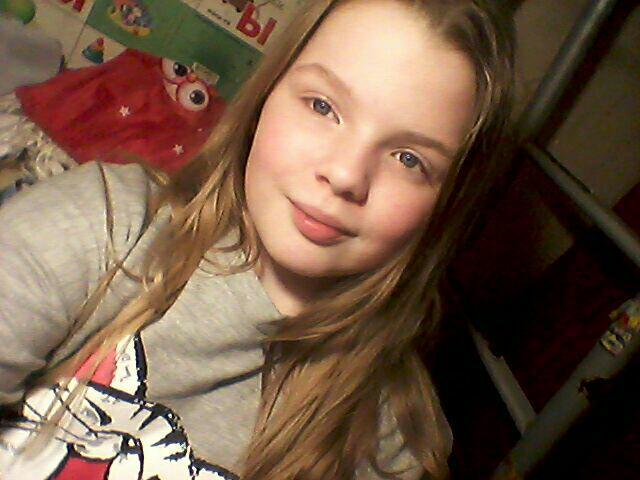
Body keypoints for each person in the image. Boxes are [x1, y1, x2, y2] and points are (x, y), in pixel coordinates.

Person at [0, 0, 515, 478]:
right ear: (266, 95)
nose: (345, 174)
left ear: (443, 205)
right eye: (322, 106)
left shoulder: (388, 442)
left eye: (408, 159)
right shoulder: (105, 226)